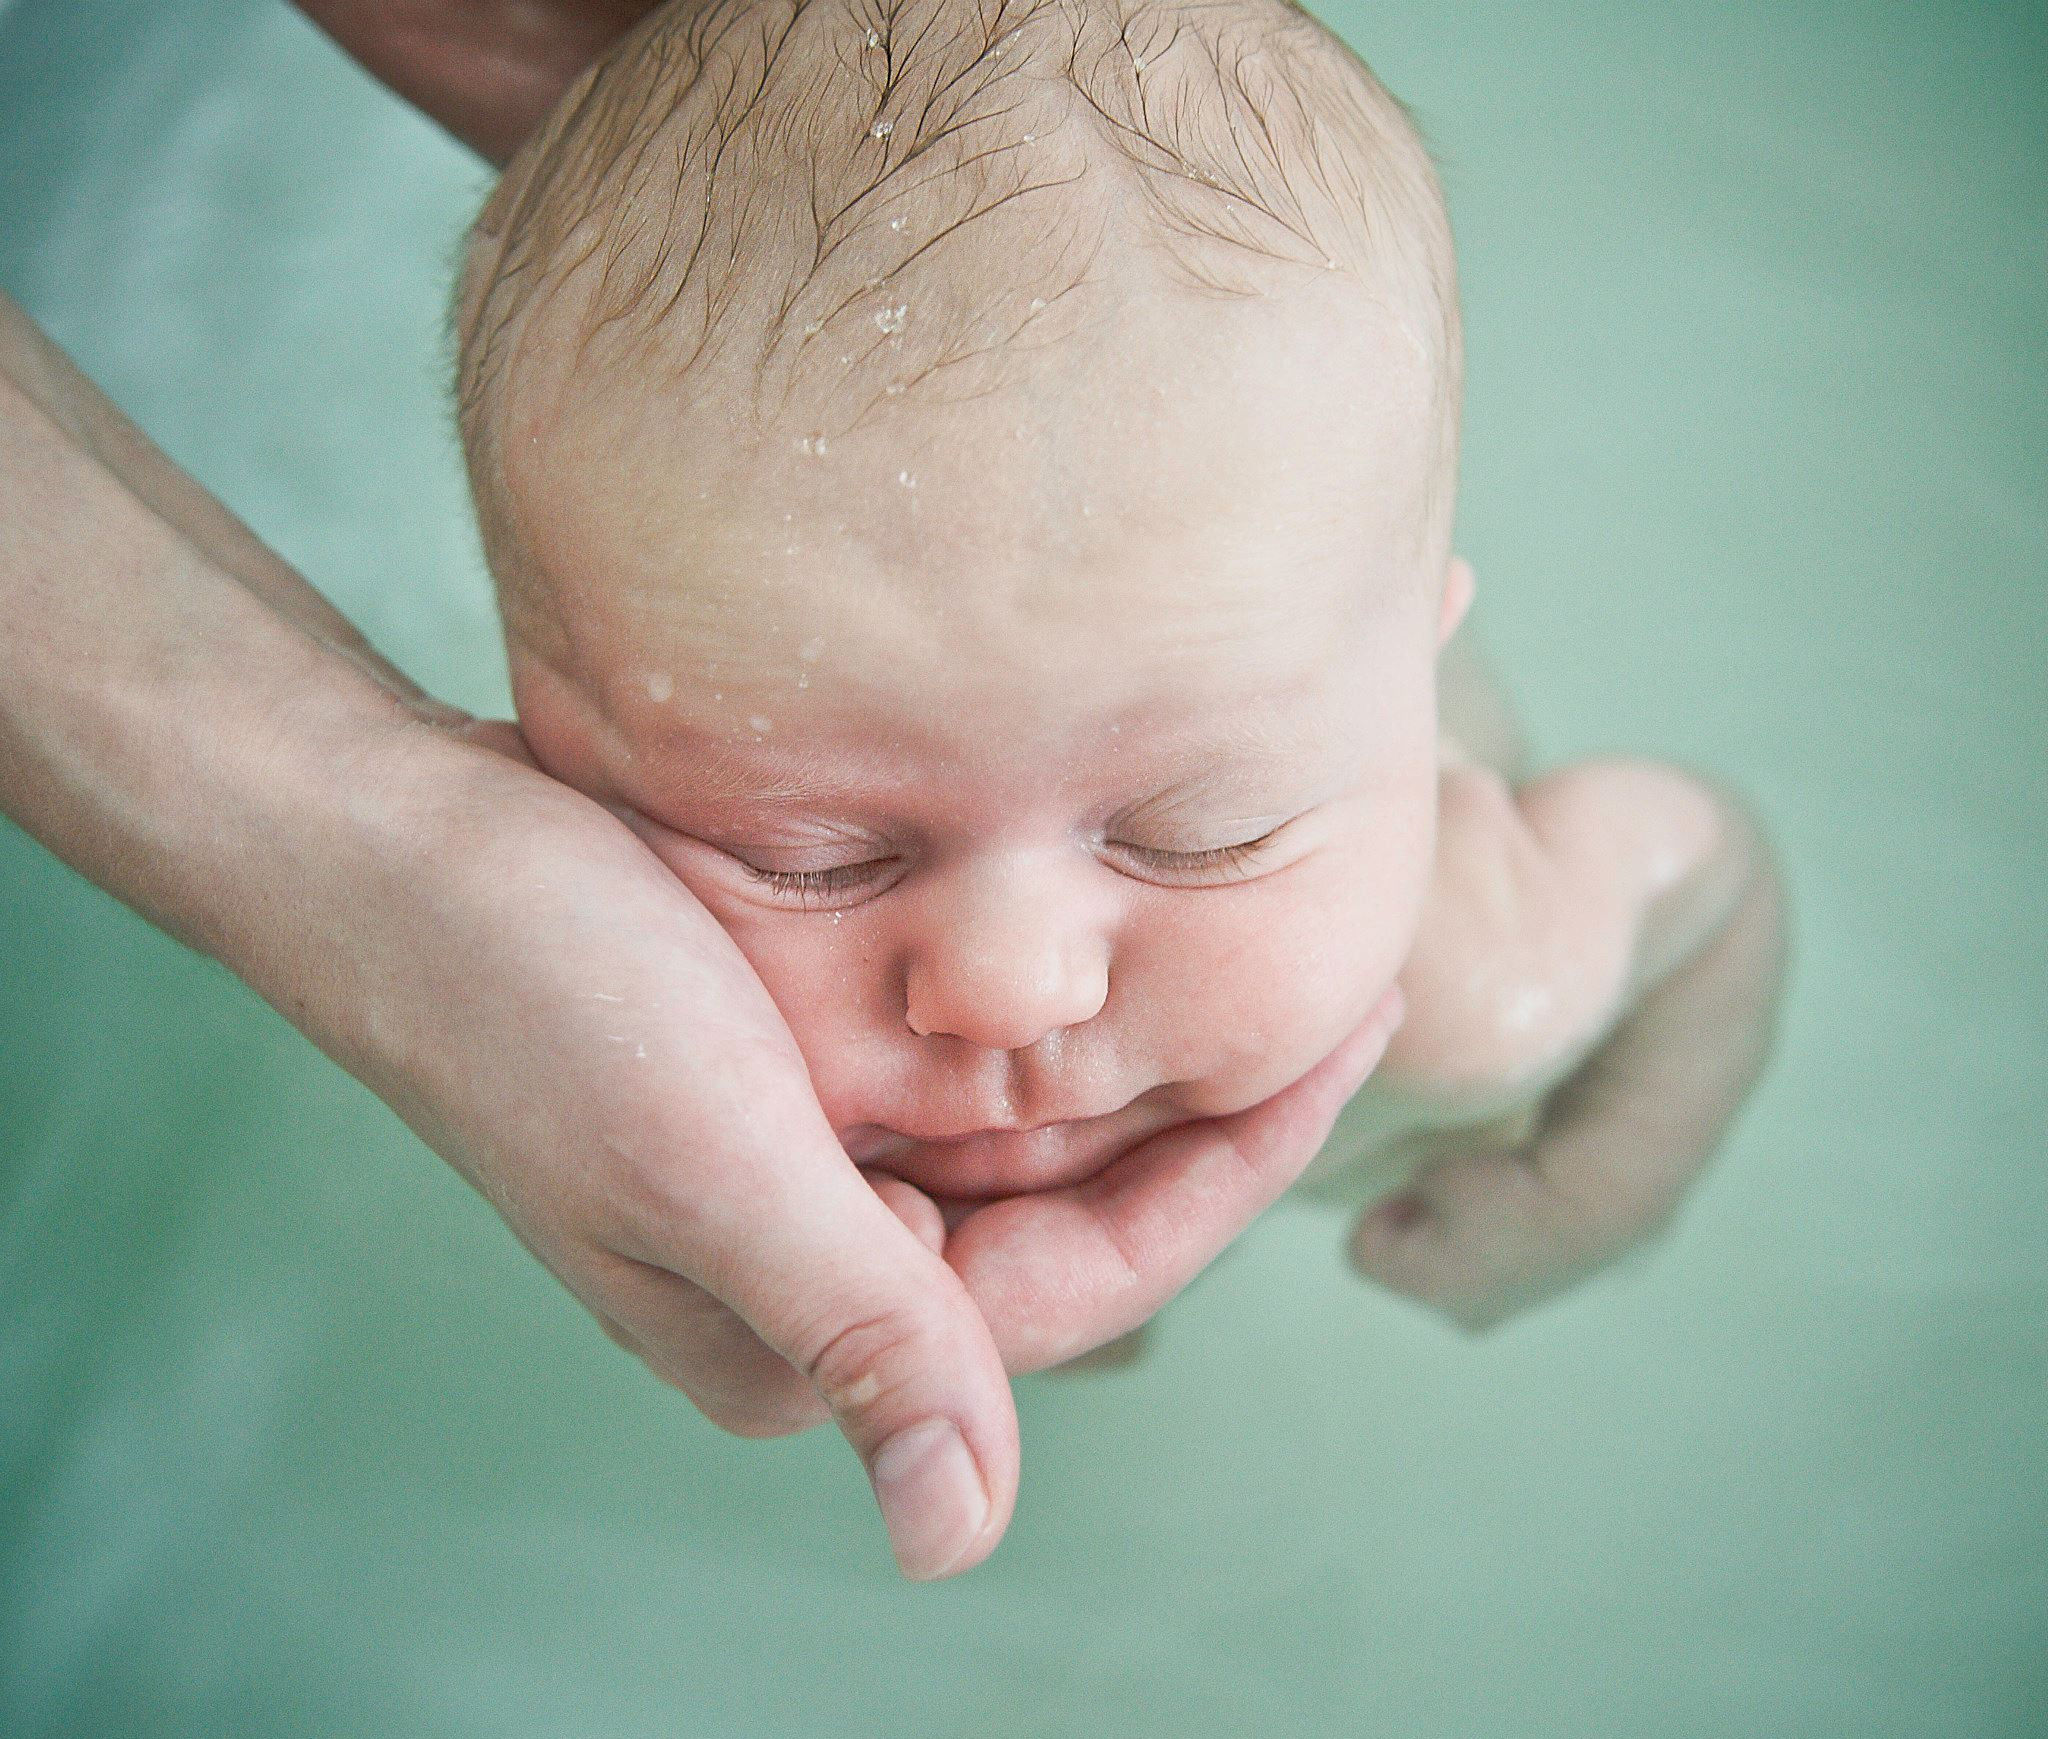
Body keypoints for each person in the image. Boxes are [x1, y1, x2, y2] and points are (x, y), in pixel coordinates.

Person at [0, 0, 1782, 1587]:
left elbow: (1714, 883)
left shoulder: (1477, 976)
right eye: (810, 848)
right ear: (538, 730)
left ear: (1417, 665)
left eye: (1197, 828)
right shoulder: (668, 1020)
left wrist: (1606, 1166)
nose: (1008, 990)